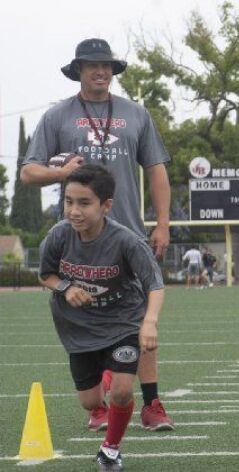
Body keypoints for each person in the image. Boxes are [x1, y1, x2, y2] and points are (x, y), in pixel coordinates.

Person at [20, 38, 174, 432]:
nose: (100, 71)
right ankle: (99, 395)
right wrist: (61, 173)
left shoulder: (136, 113)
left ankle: (153, 403)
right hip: (79, 237)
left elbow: (156, 169)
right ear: (78, 71)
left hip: (130, 232)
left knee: (140, 315)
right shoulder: (58, 116)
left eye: (105, 65)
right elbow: (28, 172)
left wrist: (162, 223)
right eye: (91, 66)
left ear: (113, 70)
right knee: (85, 311)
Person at [38, 165, 165, 471]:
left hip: (122, 323)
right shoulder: (58, 235)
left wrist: (149, 322)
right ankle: (106, 373)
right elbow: (46, 275)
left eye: (84, 203)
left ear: (106, 205)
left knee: (122, 392)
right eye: (69, 201)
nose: (74, 211)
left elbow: (155, 284)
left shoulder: (126, 241)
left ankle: (110, 450)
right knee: (90, 401)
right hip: (78, 328)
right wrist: (66, 288)